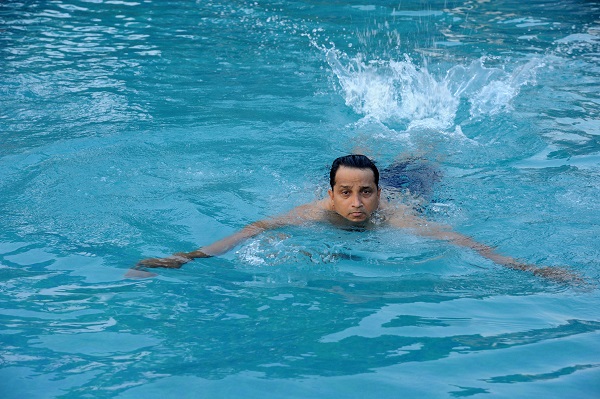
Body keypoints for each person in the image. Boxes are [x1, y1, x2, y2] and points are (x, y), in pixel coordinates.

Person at [130, 154, 580, 283]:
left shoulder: (397, 218)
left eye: (366, 193)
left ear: (378, 195)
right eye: (345, 193)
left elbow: (465, 243)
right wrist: (186, 258)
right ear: (331, 195)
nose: (357, 203)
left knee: (423, 162)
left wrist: (532, 269)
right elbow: (254, 230)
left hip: (413, 183)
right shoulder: (313, 214)